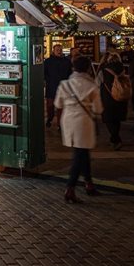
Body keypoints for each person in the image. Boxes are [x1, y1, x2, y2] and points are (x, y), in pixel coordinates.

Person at [55, 56, 103, 204]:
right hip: (84, 121)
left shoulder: (65, 84)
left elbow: (58, 104)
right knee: (80, 154)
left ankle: (89, 183)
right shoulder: (92, 86)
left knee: (82, 152)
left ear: (73, 67)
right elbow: (98, 109)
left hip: (68, 120)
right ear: (88, 68)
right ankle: (70, 188)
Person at [98, 52, 127, 150]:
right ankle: (115, 138)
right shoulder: (123, 68)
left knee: (109, 119)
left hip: (108, 96)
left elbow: (97, 82)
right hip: (120, 95)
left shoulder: (104, 69)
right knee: (117, 119)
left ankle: (116, 139)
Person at [44, 44, 72, 128]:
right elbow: (44, 73)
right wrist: (48, 80)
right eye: (57, 50)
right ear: (53, 50)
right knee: (50, 105)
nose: (59, 51)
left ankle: (60, 124)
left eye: (60, 49)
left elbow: (69, 73)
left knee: (61, 107)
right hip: (51, 86)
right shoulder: (48, 61)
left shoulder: (66, 61)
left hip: (63, 87)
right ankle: (50, 118)